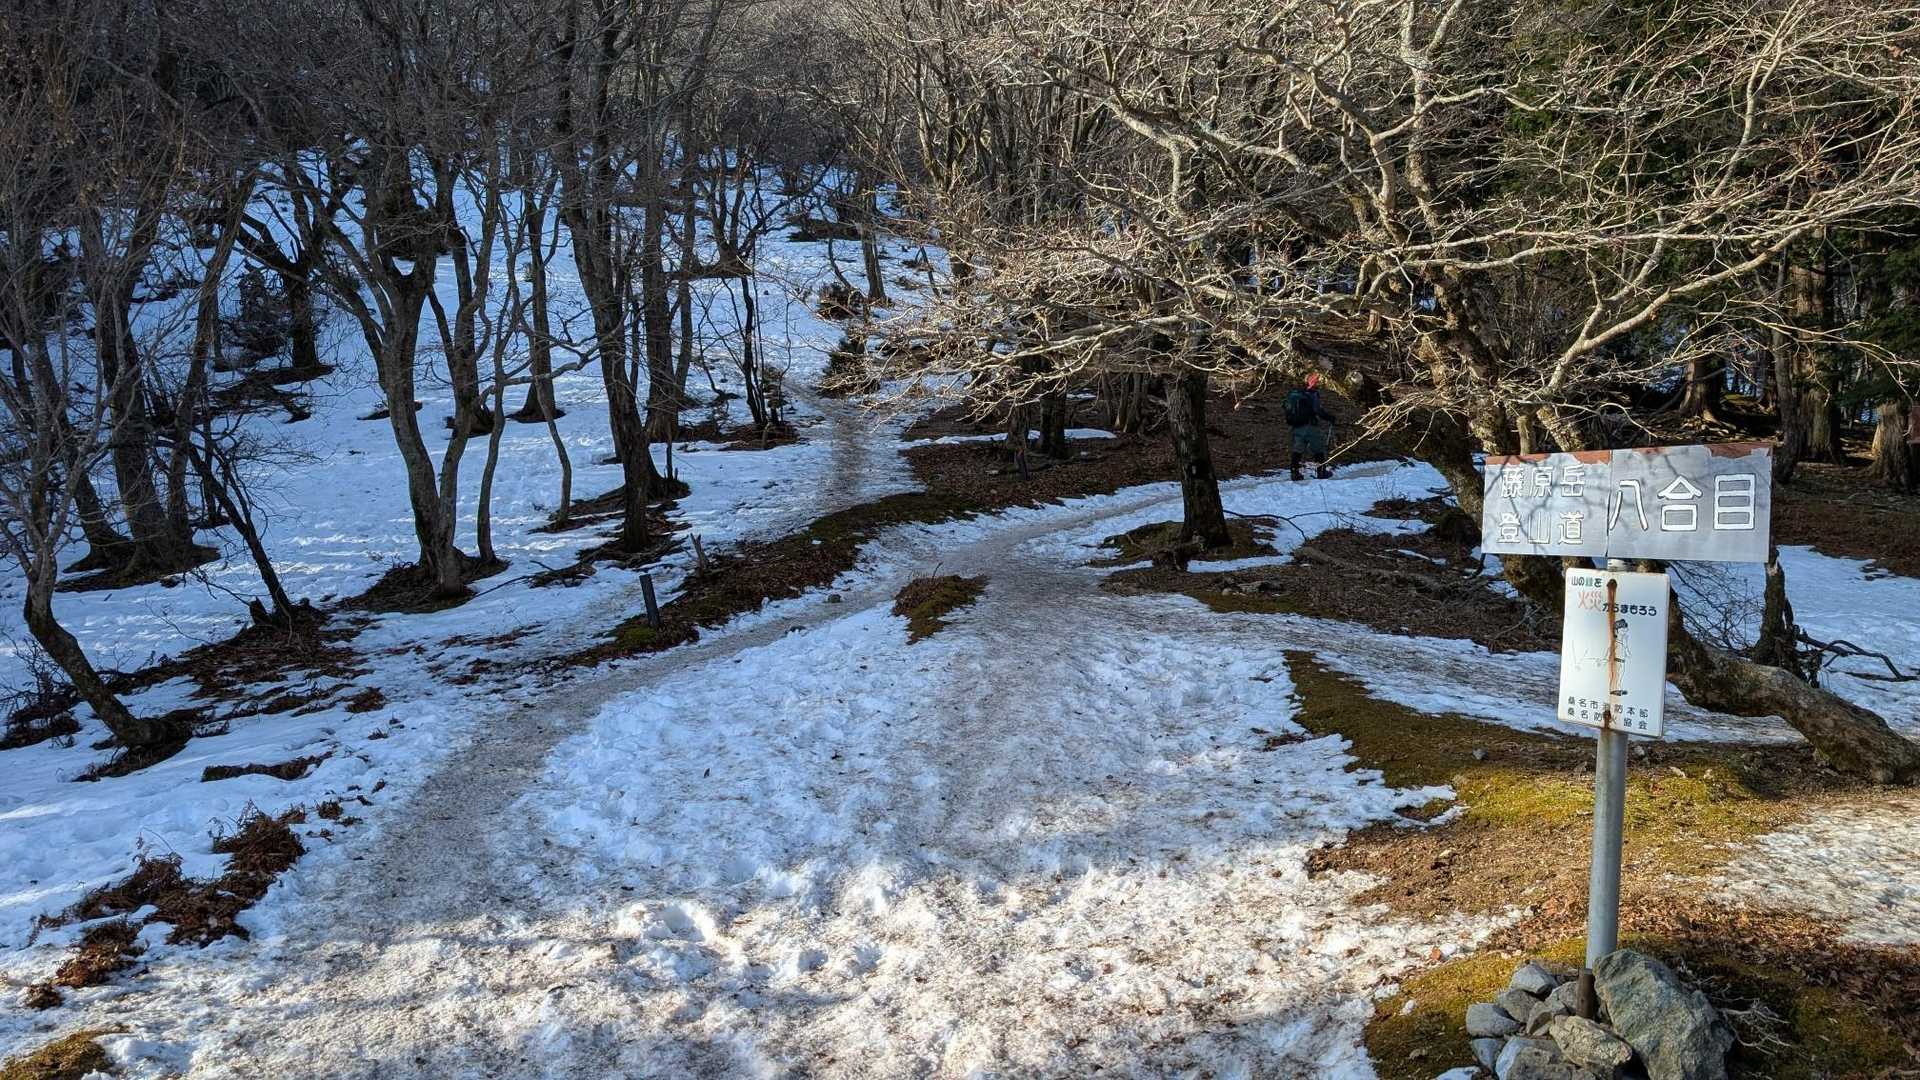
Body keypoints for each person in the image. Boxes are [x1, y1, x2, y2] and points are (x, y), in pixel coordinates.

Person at [1284, 373, 1337, 481]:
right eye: (1317, 381)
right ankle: (1321, 472)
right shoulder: (1312, 394)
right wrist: (1330, 418)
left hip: (1297, 425)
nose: (1319, 383)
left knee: (1297, 449)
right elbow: (1317, 410)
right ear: (1313, 382)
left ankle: (1295, 473)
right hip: (1310, 426)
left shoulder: (1296, 393)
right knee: (1319, 448)